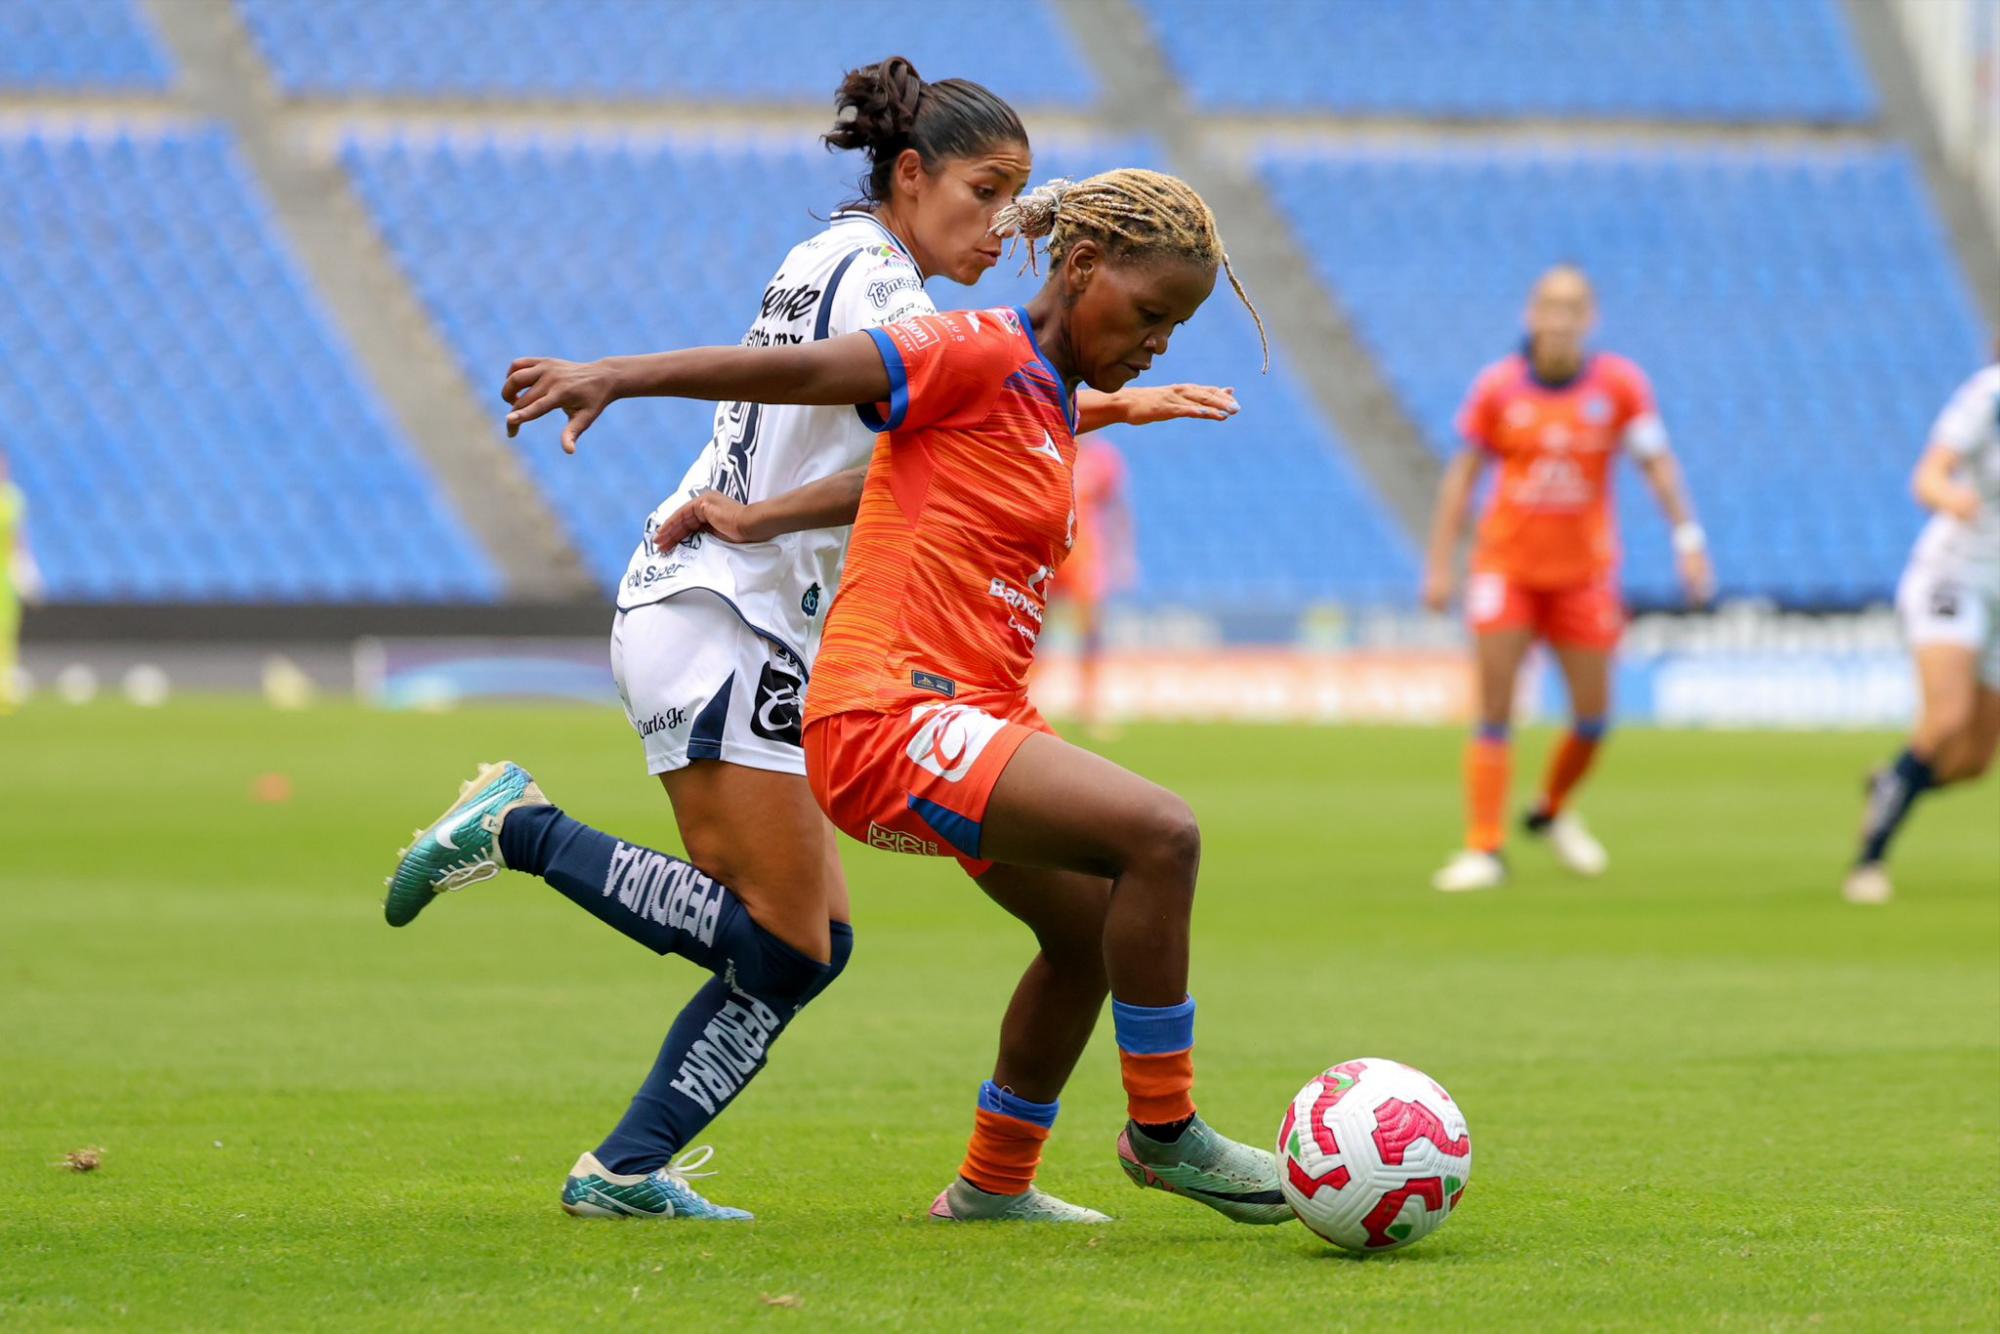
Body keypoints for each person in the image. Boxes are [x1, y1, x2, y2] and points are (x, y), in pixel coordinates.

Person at [381, 59, 1236, 1222]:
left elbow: (965, 414)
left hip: (745, 599)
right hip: (735, 608)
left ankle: (627, 1166)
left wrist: (1104, 400)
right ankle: (523, 829)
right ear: (909, 173)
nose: (1004, 225)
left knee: (806, 942)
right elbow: (898, 390)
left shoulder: (828, 258)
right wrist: (620, 377)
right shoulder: (888, 289)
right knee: (785, 933)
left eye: (1018, 198)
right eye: (986, 193)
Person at [1422, 265, 1713, 893]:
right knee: (1495, 710)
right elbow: (1462, 479)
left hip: (1584, 575)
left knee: (1593, 717)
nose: (1559, 318)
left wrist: (1688, 539)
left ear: (1591, 319)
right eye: (1549, 305)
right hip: (1508, 568)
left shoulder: (1621, 387)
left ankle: (1551, 810)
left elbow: (1656, 463)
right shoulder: (1499, 388)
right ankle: (1485, 847)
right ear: (1531, 314)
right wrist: (1440, 564)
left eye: (1573, 307)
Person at [1845, 344, 2000, 905]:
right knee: (1946, 718)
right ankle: (1869, 862)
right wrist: (1950, 497)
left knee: (1972, 763)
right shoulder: (1988, 395)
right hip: (1954, 575)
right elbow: (1928, 477)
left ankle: (1895, 781)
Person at [1051, 434, 1136, 734]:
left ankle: (1089, 702)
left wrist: (1122, 554)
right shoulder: (1046, 445)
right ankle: (1021, 695)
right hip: (1045, 551)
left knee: (1090, 631)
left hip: (1084, 554)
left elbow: (1116, 508)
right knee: (1028, 631)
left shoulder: (1102, 459)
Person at [0, 454, 38, 714]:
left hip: (4, 579)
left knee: (5, 632)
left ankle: (5, 690)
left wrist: (25, 568)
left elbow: (18, 540)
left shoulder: (12, 500)